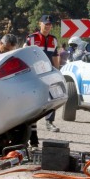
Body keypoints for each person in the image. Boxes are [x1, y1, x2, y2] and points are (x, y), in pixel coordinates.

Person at [24, 14, 60, 149]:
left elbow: (55, 55)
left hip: (49, 74)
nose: (48, 26)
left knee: (52, 98)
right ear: (40, 24)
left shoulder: (53, 40)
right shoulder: (31, 38)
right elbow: (23, 54)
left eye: (50, 24)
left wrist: (57, 71)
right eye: (46, 24)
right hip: (34, 75)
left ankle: (50, 122)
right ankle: (31, 132)